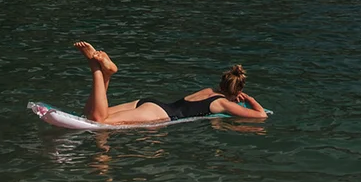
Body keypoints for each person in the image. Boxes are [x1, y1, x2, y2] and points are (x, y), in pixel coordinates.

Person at [73, 41, 268, 124]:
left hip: (150, 103)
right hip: (159, 114)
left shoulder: (208, 90)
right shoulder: (222, 103)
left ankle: (106, 75)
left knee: (91, 115)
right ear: (235, 93)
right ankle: (97, 70)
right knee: (99, 120)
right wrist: (249, 99)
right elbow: (260, 116)